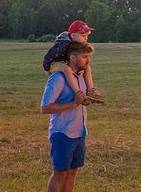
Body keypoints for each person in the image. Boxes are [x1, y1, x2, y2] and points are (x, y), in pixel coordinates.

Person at [41, 40, 93, 192]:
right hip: (62, 133)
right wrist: (74, 103)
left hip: (79, 132)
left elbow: (81, 100)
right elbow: (45, 107)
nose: (88, 60)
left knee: (72, 173)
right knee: (60, 174)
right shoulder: (58, 78)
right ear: (73, 58)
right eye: (84, 57)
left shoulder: (81, 77)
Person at [43, 20, 102, 104]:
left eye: (87, 36)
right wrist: (48, 70)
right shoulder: (62, 45)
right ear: (73, 35)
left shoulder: (76, 42)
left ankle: (91, 91)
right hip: (53, 64)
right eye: (83, 35)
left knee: (87, 68)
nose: (86, 38)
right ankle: (79, 94)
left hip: (65, 61)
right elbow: (48, 57)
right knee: (66, 69)